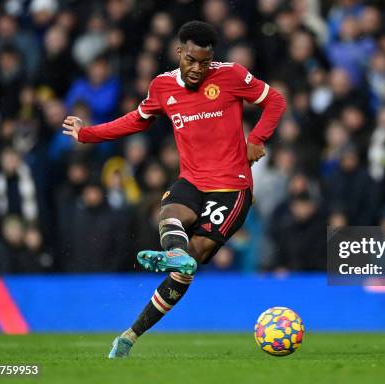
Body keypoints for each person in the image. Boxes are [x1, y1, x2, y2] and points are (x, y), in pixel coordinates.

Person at [61, 21, 286, 358]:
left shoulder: (232, 75)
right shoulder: (162, 86)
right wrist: (88, 133)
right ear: (179, 52)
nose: (198, 69)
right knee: (170, 213)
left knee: (191, 263)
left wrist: (256, 138)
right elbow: (136, 120)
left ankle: (130, 334)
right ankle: (175, 256)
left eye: (205, 62)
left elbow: (276, 101)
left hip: (231, 188)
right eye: (192, 60)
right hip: (193, 180)